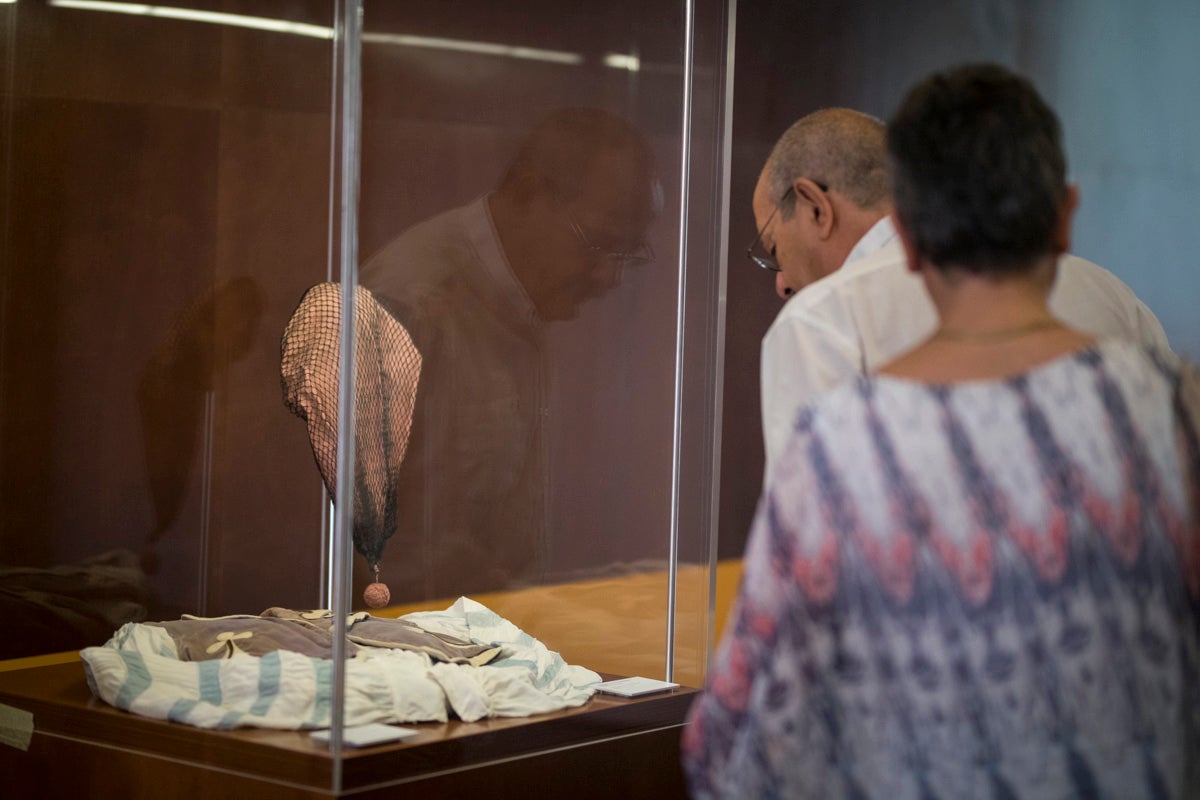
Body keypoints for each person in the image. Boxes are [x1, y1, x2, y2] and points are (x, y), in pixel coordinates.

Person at [684, 63, 1200, 799]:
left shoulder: (835, 407)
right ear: (1064, 215)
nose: (777, 278)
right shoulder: (1172, 394)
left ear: (911, 237)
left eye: (771, 248)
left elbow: (762, 706)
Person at [751, 108, 1170, 483]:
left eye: (774, 250)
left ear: (815, 207)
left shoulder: (817, 322)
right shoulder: (1113, 296)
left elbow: (807, 530)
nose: (781, 282)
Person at [358, 107, 659, 603]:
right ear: (529, 195)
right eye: (600, 244)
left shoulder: (522, 292)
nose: (611, 278)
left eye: (628, 255)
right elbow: (351, 555)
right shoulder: (409, 304)